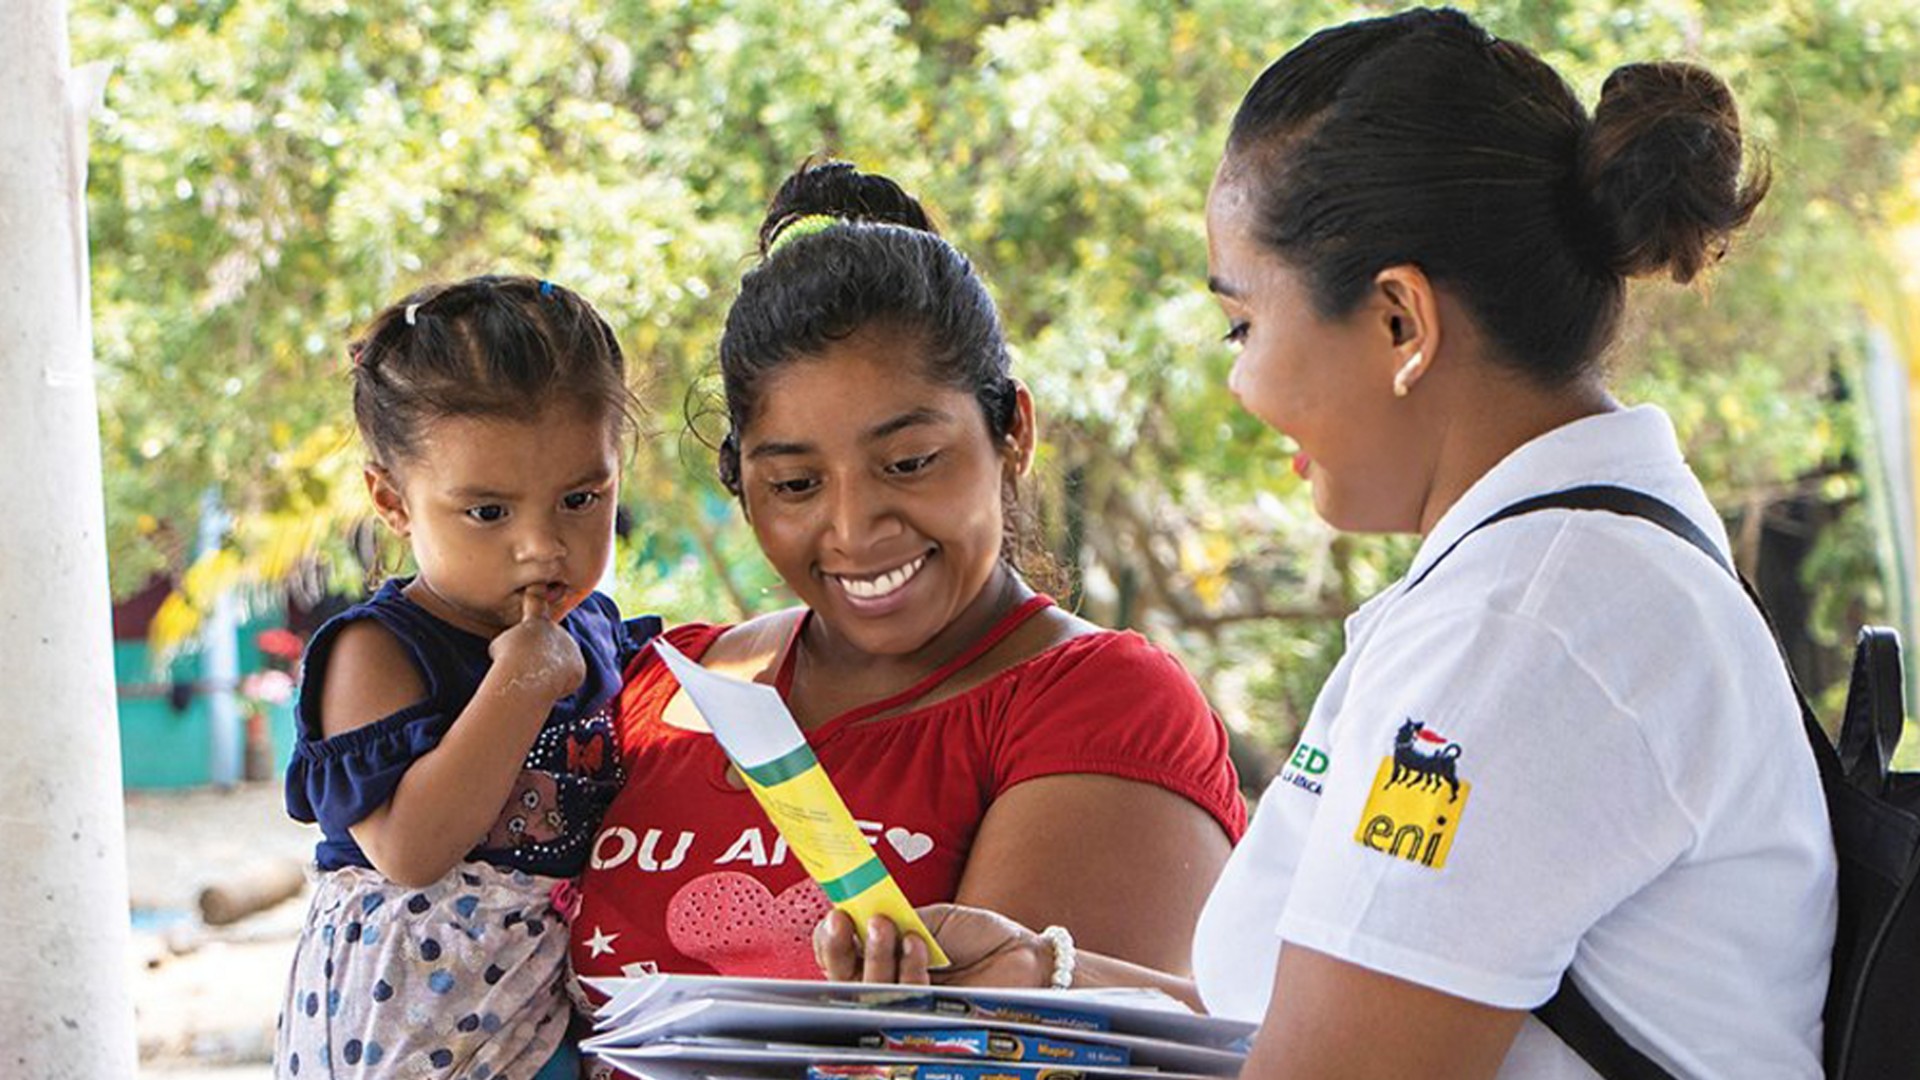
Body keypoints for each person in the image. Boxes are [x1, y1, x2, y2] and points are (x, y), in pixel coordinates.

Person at [818, 9, 1838, 1078]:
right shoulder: (1542, 579)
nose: (1240, 383)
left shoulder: (1528, 629)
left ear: (1401, 321)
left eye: (1243, 326)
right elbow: (1305, 1018)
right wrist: (1045, 981)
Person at [570, 161, 1246, 993]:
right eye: (795, 484)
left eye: (909, 462)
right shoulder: (650, 688)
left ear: (1013, 434)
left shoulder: (1098, 704)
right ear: (742, 486)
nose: (856, 529)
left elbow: (1011, 1049)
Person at [278, 275, 654, 1079]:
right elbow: (411, 849)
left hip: (541, 1011)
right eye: (488, 512)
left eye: (581, 498)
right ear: (393, 500)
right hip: (400, 1026)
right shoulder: (373, 652)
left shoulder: (594, 629)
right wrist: (518, 684)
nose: (542, 546)